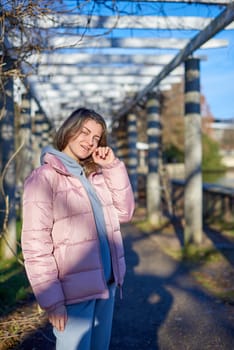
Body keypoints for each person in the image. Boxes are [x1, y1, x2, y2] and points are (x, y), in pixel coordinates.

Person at [21, 107, 135, 350]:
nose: (90, 142)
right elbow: (35, 246)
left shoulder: (96, 176)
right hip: (73, 292)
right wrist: (52, 302)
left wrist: (112, 166)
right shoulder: (44, 178)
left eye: (96, 137)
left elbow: (125, 213)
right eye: (84, 132)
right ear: (69, 130)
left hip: (107, 284)